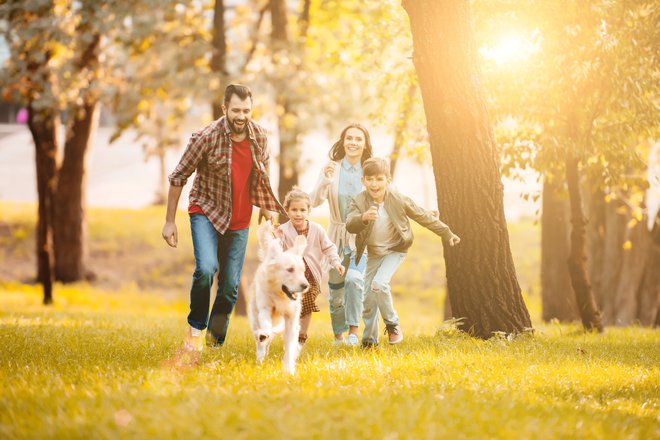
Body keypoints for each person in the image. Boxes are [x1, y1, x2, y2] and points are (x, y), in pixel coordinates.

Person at [162, 84, 284, 352]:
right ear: (224, 109)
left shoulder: (260, 136)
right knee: (206, 269)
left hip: (239, 220)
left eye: (247, 111)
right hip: (206, 211)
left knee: (229, 287)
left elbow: (264, 169)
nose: (241, 116)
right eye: (236, 110)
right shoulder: (205, 137)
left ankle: (214, 342)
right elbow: (178, 177)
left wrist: (265, 204)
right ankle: (195, 330)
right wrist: (170, 221)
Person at [346, 157, 461, 347]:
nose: (374, 184)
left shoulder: (397, 199)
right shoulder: (358, 201)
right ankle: (369, 340)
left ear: (388, 180)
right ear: (363, 180)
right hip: (374, 253)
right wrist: (363, 218)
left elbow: (421, 215)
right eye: (370, 179)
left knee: (379, 284)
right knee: (368, 300)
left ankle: (392, 324)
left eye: (379, 179)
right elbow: (350, 223)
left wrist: (446, 232)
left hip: (395, 249)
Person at [309, 123, 373, 346]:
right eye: (349, 138)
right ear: (343, 141)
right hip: (335, 236)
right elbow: (314, 201)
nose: (353, 142)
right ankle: (339, 336)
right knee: (336, 292)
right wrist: (325, 180)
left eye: (358, 139)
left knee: (355, 280)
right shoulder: (331, 168)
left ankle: (354, 334)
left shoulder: (370, 170)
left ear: (365, 144)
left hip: (361, 238)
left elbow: (386, 199)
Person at [276, 188, 345, 347]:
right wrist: (277, 237)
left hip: (311, 277)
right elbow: (278, 251)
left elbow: (329, 248)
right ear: (287, 211)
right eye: (294, 210)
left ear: (308, 211)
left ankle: (302, 335)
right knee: (290, 305)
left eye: (302, 210)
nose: (298, 214)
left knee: (306, 304)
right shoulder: (284, 230)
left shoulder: (317, 230)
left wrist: (336, 262)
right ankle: (290, 333)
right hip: (291, 278)